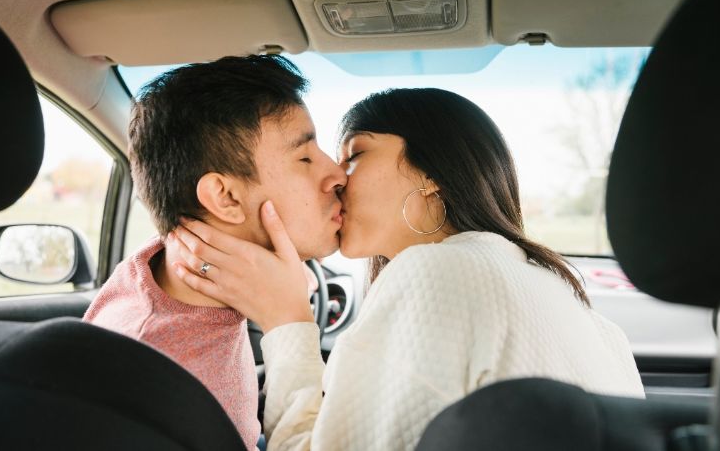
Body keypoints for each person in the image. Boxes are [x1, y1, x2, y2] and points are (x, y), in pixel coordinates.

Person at [171, 88, 645, 451]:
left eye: (354, 155)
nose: (335, 178)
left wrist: (286, 321)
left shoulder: (439, 273)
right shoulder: (562, 294)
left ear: (431, 171)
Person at [83, 55, 346, 451]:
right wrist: (289, 318)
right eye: (304, 158)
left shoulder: (161, 266)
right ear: (224, 197)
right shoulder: (164, 381)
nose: (337, 175)